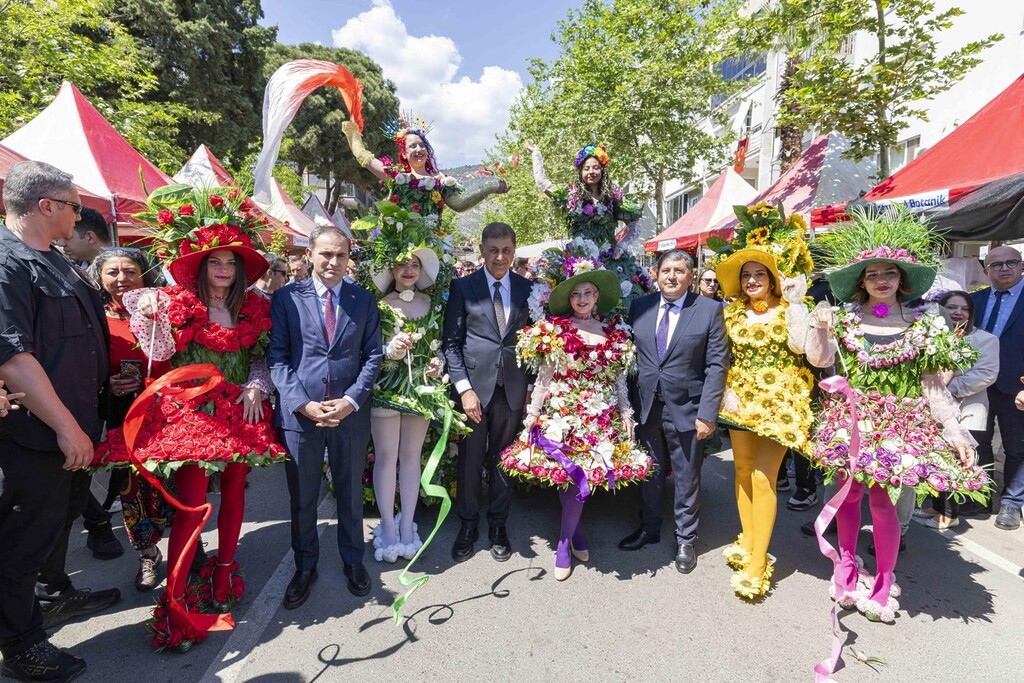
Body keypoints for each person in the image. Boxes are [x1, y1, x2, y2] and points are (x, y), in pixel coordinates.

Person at [93, 187, 287, 651]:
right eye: (215, 262)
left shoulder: (256, 307)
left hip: (241, 411)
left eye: (231, 263)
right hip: (193, 416)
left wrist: (259, 387)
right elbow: (158, 354)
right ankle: (176, 597)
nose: (223, 270)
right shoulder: (176, 303)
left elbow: (261, 358)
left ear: (240, 269)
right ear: (201, 266)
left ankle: (223, 575)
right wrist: (148, 317)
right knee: (193, 507)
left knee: (237, 494)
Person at [810, 207, 988, 624]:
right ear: (862, 282)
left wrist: (956, 434)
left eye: (889, 273)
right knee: (848, 497)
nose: (882, 281)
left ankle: (885, 581)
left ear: (901, 279)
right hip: (851, 421)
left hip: (900, 427)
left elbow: (933, 386)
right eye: (873, 275)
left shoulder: (926, 323)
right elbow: (821, 361)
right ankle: (847, 567)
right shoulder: (845, 318)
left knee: (885, 504)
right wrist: (820, 326)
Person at [0, 161, 107, 681]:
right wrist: (66, 426)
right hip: (35, 437)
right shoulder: (8, 265)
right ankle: (20, 645)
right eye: (73, 206)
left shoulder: (56, 262)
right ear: (47, 206)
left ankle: (56, 595)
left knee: (57, 524)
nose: (79, 215)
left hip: (74, 429)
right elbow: (16, 359)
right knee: (22, 541)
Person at [500, 261, 651, 579]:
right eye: (576, 294)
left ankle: (565, 541)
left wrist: (626, 414)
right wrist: (532, 417)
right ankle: (573, 534)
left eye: (588, 293)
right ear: (569, 299)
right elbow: (543, 380)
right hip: (561, 417)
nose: (582, 299)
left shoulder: (612, 334)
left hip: (597, 419)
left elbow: (619, 381)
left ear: (597, 297)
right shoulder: (554, 331)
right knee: (566, 477)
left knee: (579, 479)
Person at [712, 205, 832, 599]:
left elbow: (815, 357)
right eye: (745, 275)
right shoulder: (731, 314)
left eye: (758, 274)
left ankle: (759, 561)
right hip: (740, 401)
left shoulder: (791, 311)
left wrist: (815, 322)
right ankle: (747, 540)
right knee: (743, 471)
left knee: (765, 479)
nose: (750, 281)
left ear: (774, 278)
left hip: (781, 405)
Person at [269, 225, 383, 608]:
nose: (333, 262)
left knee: (350, 494)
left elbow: (373, 357)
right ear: (310, 255)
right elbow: (278, 358)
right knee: (303, 497)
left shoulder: (363, 300)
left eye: (341, 255)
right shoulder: (286, 298)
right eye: (326, 254)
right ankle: (305, 567)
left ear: (349, 258)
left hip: (349, 414)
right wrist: (303, 403)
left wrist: (351, 401)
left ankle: (353, 561)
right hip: (301, 415)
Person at [619, 250, 728, 574]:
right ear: (655, 273)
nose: (671, 276)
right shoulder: (640, 306)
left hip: (689, 410)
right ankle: (649, 529)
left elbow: (716, 364)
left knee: (686, 477)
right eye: (666, 270)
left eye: (679, 271)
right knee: (650, 473)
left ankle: (685, 539)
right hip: (647, 407)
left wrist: (708, 413)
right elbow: (627, 357)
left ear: (690, 276)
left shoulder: (708, 310)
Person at [442, 222, 534, 563]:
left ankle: (498, 524)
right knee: (469, 461)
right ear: (482, 250)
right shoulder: (463, 287)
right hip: (473, 392)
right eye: (493, 250)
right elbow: (451, 344)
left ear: (514, 251)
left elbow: (535, 342)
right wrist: (463, 390)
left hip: (511, 389)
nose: (499, 257)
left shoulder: (528, 289)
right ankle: (468, 524)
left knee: (503, 460)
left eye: (506, 251)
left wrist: (531, 392)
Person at [89, 249, 173, 591]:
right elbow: (85, 366)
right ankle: (148, 554)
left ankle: (189, 545)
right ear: (101, 278)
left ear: (144, 275)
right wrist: (107, 384)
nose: (121, 278)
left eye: (130, 271)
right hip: (123, 414)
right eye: (113, 272)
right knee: (132, 491)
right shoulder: (93, 315)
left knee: (174, 485)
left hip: (168, 411)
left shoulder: (163, 307)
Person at [912, 291, 999, 530]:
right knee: (938, 457)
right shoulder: (931, 337)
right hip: (935, 409)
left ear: (971, 314)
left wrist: (947, 387)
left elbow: (987, 375)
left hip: (968, 409)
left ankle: (951, 514)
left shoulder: (985, 339)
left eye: (964, 309)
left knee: (957, 460)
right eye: (951, 307)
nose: (958, 313)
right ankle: (938, 507)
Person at [527, 142, 652, 309]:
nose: (591, 172)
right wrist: (536, 154)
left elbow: (634, 225)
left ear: (602, 170)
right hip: (578, 261)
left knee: (617, 305)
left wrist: (622, 245)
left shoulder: (614, 198)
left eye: (595, 167)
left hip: (610, 261)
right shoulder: (571, 196)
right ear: (580, 172)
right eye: (586, 168)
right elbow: (542, 183)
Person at [971, 246, 1024, 530]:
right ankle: (979, 495)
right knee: (978, 441)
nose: (1004, 268)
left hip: (1016, 387)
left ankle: (1011, 504)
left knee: (1017, 447)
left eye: (1011, 263)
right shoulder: (974, 300)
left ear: (1021, 265)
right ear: (986, 269)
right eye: (996, 264)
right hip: (977, 384)